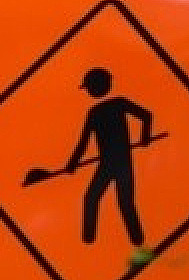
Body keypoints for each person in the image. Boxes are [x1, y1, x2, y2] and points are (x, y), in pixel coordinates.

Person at [65, 67, 153, 247]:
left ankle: (138, 242)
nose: (89, 91)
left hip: (121, 163)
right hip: (109, 163)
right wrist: (72, 163)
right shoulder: (95, 112)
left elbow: (146, 116)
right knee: (94, 198)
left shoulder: (117, 104)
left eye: (90, 87)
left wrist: (145, 137)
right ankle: (89, 240)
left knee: (123, 203)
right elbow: (83, 142)